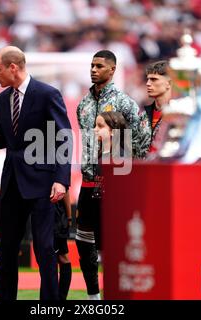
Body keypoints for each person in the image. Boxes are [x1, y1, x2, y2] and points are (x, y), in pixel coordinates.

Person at [0, 46, 72, 301]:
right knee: (7, 250)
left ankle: (49, 305)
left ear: (13, 67)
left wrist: (61, 180)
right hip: (12, 184)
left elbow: (64, 139)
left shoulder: (47, 94)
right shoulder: (2, 99)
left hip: (44, 184)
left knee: (45, 250)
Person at [77, 49, 141, 299]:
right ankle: (93, 296)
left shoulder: (125, 103)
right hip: (87, 183)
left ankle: (116, 294)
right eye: (91, 65)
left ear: (112, 70)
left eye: (99, 66)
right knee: (84, 245)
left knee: (112, 246)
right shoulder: (83, 103)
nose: (93, 69)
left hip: (114, 185)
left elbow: (139, 142)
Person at [143, 60, 171, 153]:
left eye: (154, 79)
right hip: (144, 167)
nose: (148, 83)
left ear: (169, 83)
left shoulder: (179, 116)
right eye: (148, 79)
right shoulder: (142, 116)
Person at [54, 190, 72, 301]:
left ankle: (60, 297)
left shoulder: (59, 172)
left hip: (56, 218)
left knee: (62, 257)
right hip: (48, 216)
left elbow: (65, 190)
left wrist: (69, 217)